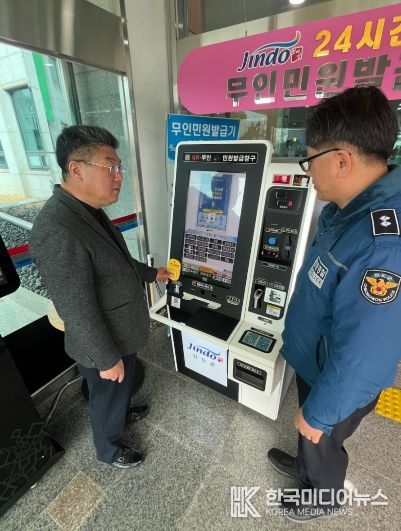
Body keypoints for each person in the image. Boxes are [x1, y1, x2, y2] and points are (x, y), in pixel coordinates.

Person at [267, 86, 401, 523]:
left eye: (310, 160)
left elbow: (365, 353)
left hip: (339, 378)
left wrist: (321, 414)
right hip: (317, 361)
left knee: (321, 434)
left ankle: (322, 496)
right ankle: (305, 468)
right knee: (310, 431)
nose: (308, 171)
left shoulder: (382, 245)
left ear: (342, 160)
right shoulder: (345, 211)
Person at [29, 125, 170, 469]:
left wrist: (151, 274)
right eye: (111, 167)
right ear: (77, 169)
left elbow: (117, 261)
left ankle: (121, 413)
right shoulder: (57, 228)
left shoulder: (88, 210)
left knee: (118, 391)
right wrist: (106, 359)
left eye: (119, 166)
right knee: (106, 395)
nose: (119, 176)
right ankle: (109, 448)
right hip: (103, 343)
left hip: (120, 330)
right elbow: (76, 308)